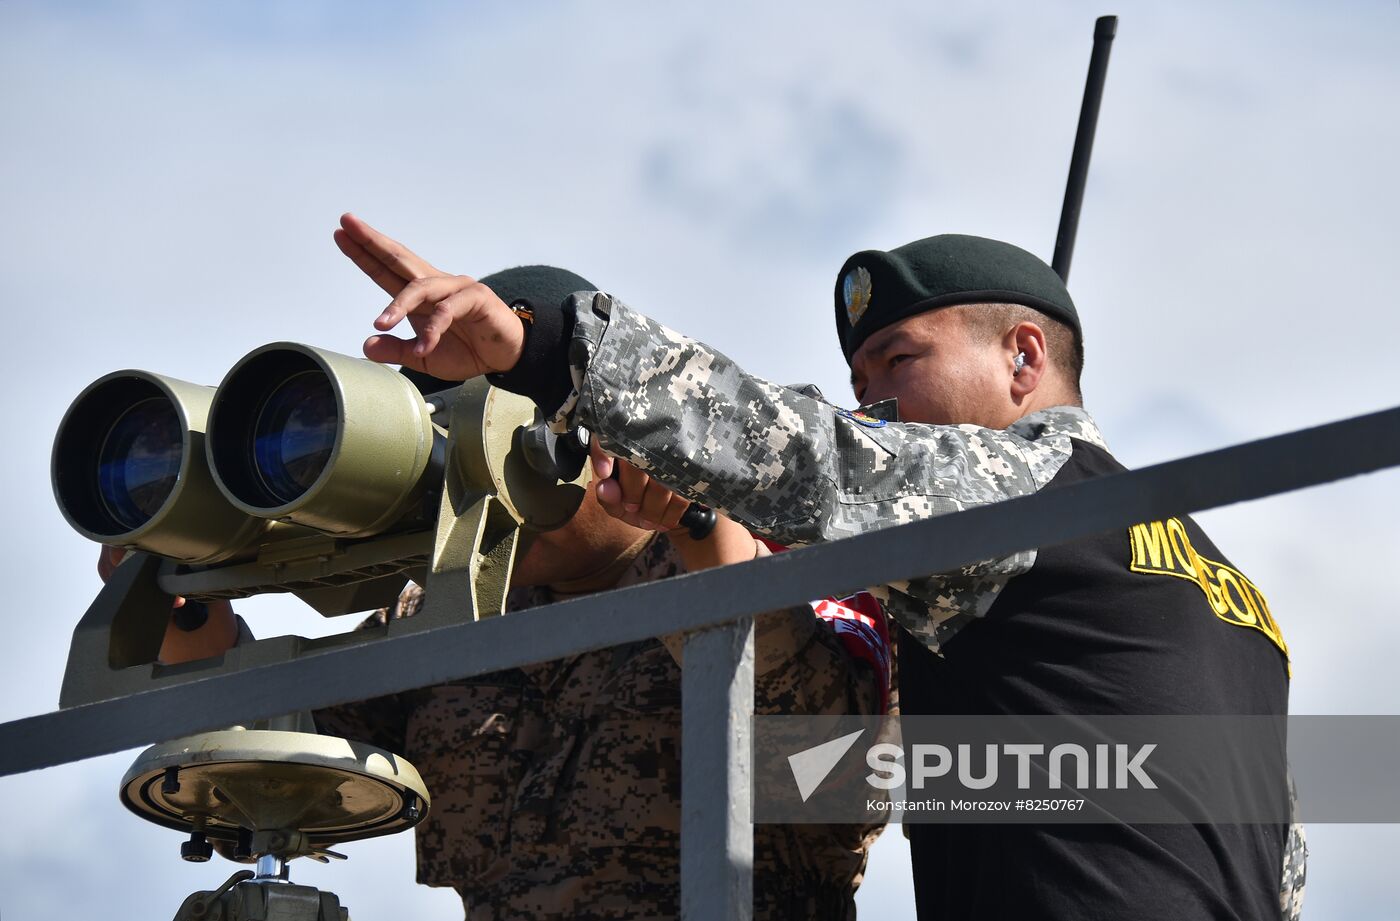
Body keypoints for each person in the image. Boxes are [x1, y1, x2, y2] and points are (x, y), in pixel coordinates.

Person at [348, 215, 1304, 921]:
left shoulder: (1021, 487)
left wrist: (554, 349)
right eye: (857, 383)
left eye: (897, 360)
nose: (873, 406)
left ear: (1024, 356)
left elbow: (812, 459)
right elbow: (1278, 867)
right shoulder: (1226, 592)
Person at [100, 249, 892, 920]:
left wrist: (702, 536)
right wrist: (187, 602)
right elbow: (281, 760)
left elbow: (842, 772)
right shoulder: (445, 613)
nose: (469, 482)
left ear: (601, 431)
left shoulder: (766, 560)